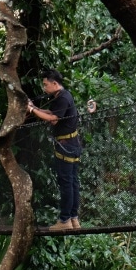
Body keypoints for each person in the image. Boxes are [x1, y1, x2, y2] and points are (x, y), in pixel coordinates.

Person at [26, 69, 86, 231]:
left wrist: (31, 110)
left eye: (46, 84)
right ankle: (73, 219)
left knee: (67, 184)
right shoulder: (62, 96)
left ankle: (65, 220)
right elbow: (52, 113)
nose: (44, 88)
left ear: (54, 84)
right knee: (72, 183)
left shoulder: (62, 98)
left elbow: (53, 119)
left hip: (66, 146)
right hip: (72, 144)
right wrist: (34, 108)